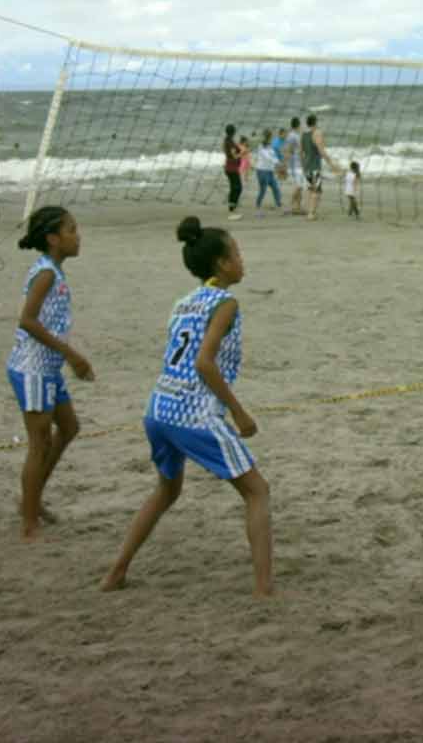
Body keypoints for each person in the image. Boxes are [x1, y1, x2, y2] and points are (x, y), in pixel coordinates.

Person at [100, 217, 273, 596]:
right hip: (191, 413)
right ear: (222, 264)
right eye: (238, 254)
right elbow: (204, 363)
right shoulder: (225, 302)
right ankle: (264, 588)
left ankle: (115, 573)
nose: (243, 260)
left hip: (158, 408)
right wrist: (238, 412)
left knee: (166, 491)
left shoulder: (183, 302)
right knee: (257, 491)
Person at [6, 206, 94, 542]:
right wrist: (72, 355)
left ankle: (32, 499)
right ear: (53, 239)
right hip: (32, 367)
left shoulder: (54, 270)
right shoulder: (44, 273)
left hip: (48, 367)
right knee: (39, 444)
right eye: (72, 230)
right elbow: (27, 320)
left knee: (69, 427)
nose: (78, 236)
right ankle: (29, 520)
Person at [300, 113, 343, 221]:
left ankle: (310, 211)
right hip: (314, 166)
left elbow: (301, 152)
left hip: (307, 165)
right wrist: (332, 164)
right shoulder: (316, 133)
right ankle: (311, 213)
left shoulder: (303, 135)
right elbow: (321, 150)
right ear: (315, 122)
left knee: (310, 189)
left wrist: (303, 165)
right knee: (317, 191)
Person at [251, 128, 283, 211]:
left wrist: (278, 162)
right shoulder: (261, 146)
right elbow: (267, 157)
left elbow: (273, 156)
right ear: (268, 137)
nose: (272, 138)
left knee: (275, 187)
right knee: (263, 190)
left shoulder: (270, 145)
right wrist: (277, 163)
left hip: (270, 171)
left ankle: (278, 203)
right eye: (271, 136)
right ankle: (258, 204)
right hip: (262, 171)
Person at [222, 125, 246, 219]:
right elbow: (234, 156)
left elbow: (228, 153)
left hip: (229, 167)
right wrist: (242, 153)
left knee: (234, 188)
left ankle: (232, 207)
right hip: (231, 168)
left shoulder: (226, 141)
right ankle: (232, 208)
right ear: (234, 132)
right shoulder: (230, 142)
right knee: (237, 188)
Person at [283, 117, 305, 214]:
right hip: (296, 165)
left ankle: (298, 208)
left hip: (298, 164)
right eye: (300, 124)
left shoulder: (295, 135)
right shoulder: (293, 136)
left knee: (300, 187)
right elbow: (288, 150)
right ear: (298, 125)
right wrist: (286, 164)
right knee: (299, 186)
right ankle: (289, 206)